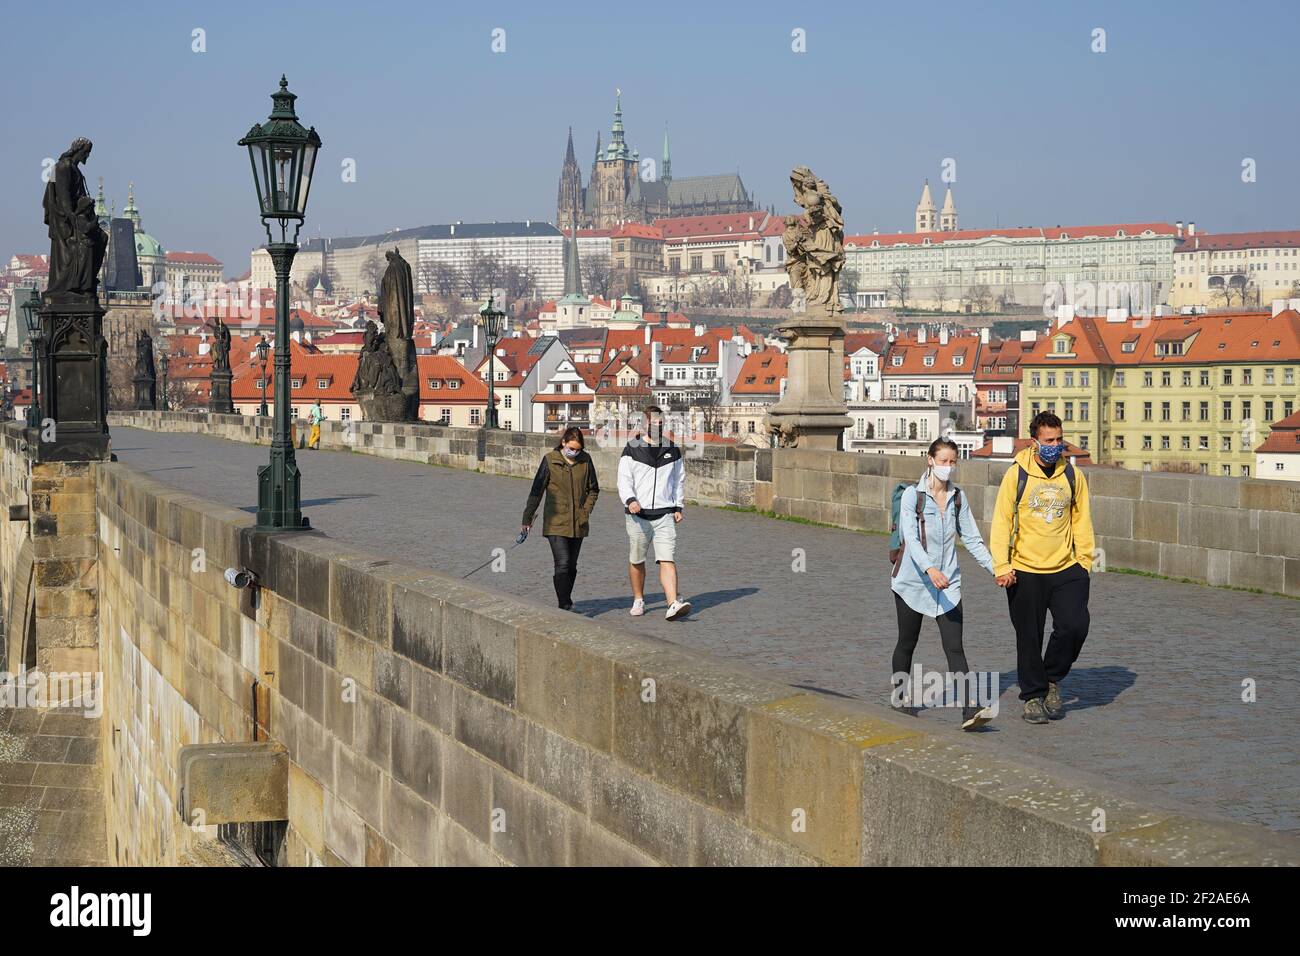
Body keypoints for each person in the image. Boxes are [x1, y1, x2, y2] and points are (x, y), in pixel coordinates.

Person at [989, 411, 1096, 725]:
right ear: (1034, 442)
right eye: (1049, 441)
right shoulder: (1017, 474)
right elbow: (1001, 522)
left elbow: (1082, 520)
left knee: (1075, 626)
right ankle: (1033, 697)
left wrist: (1085, 562)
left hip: (1066, 567)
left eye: (1059, 439)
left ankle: (1052, 677)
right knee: (1029, 636)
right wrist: (1001, 565)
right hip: (1024, 568)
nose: (1056, 446)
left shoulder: (1072, 475)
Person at [891, 438, 999, 731]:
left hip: (948, 584)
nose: (948, 467)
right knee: (907, 642)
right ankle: (900, 697)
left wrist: (996, 569)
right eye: (943, 461)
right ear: (930, 460)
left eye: (953, 462)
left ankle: (969, 709)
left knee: (955, 647)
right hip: (913, 582)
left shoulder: (958, 498)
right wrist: (929, 569)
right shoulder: (914, 496)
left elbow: (973, 539)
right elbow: (910, 539)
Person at [617, 406, 690, 621]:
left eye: (661, 422)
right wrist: (630, 500)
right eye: (653, 422)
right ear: (643, 424)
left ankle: (672, 603)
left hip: (664, 513)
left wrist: (678, 506)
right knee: (637, 559)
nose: (657, 426)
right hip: (638, 515)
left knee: (667, 558)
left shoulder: (673, 450)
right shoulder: (632, 448)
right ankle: (638, 598)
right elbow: (624, 480)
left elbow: (678, 480)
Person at [521, 426, 599, 611]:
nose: (574, 452)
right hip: (555, 521)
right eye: (571, 448)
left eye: (578, 449)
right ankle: (564, 604)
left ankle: (566, 599)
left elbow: (593, 489)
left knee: (572, 566)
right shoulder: (550, 460)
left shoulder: (586, 461)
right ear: (563, 442)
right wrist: (527, 519)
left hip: (578, 522)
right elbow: (536, 491)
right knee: (562, 563)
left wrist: (585, 511)